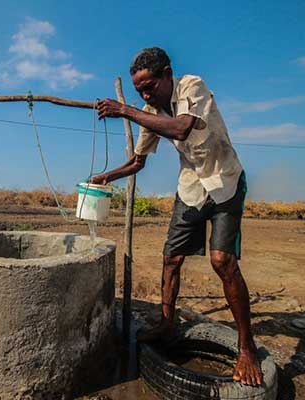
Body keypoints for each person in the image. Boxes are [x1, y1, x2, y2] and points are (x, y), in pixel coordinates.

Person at [90, 47, 262, 386]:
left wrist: (124, 110)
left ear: (168, 74)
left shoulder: (192, 87)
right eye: (139, 89)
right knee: (171, 258)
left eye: (149, 85)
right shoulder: (150, 110)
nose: (145, 94)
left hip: (224, 180)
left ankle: (247, 347)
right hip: (192, 187)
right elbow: (138, 161)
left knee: (222, 262)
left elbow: (182, 128)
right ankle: (168, 323)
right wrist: (105, 177)